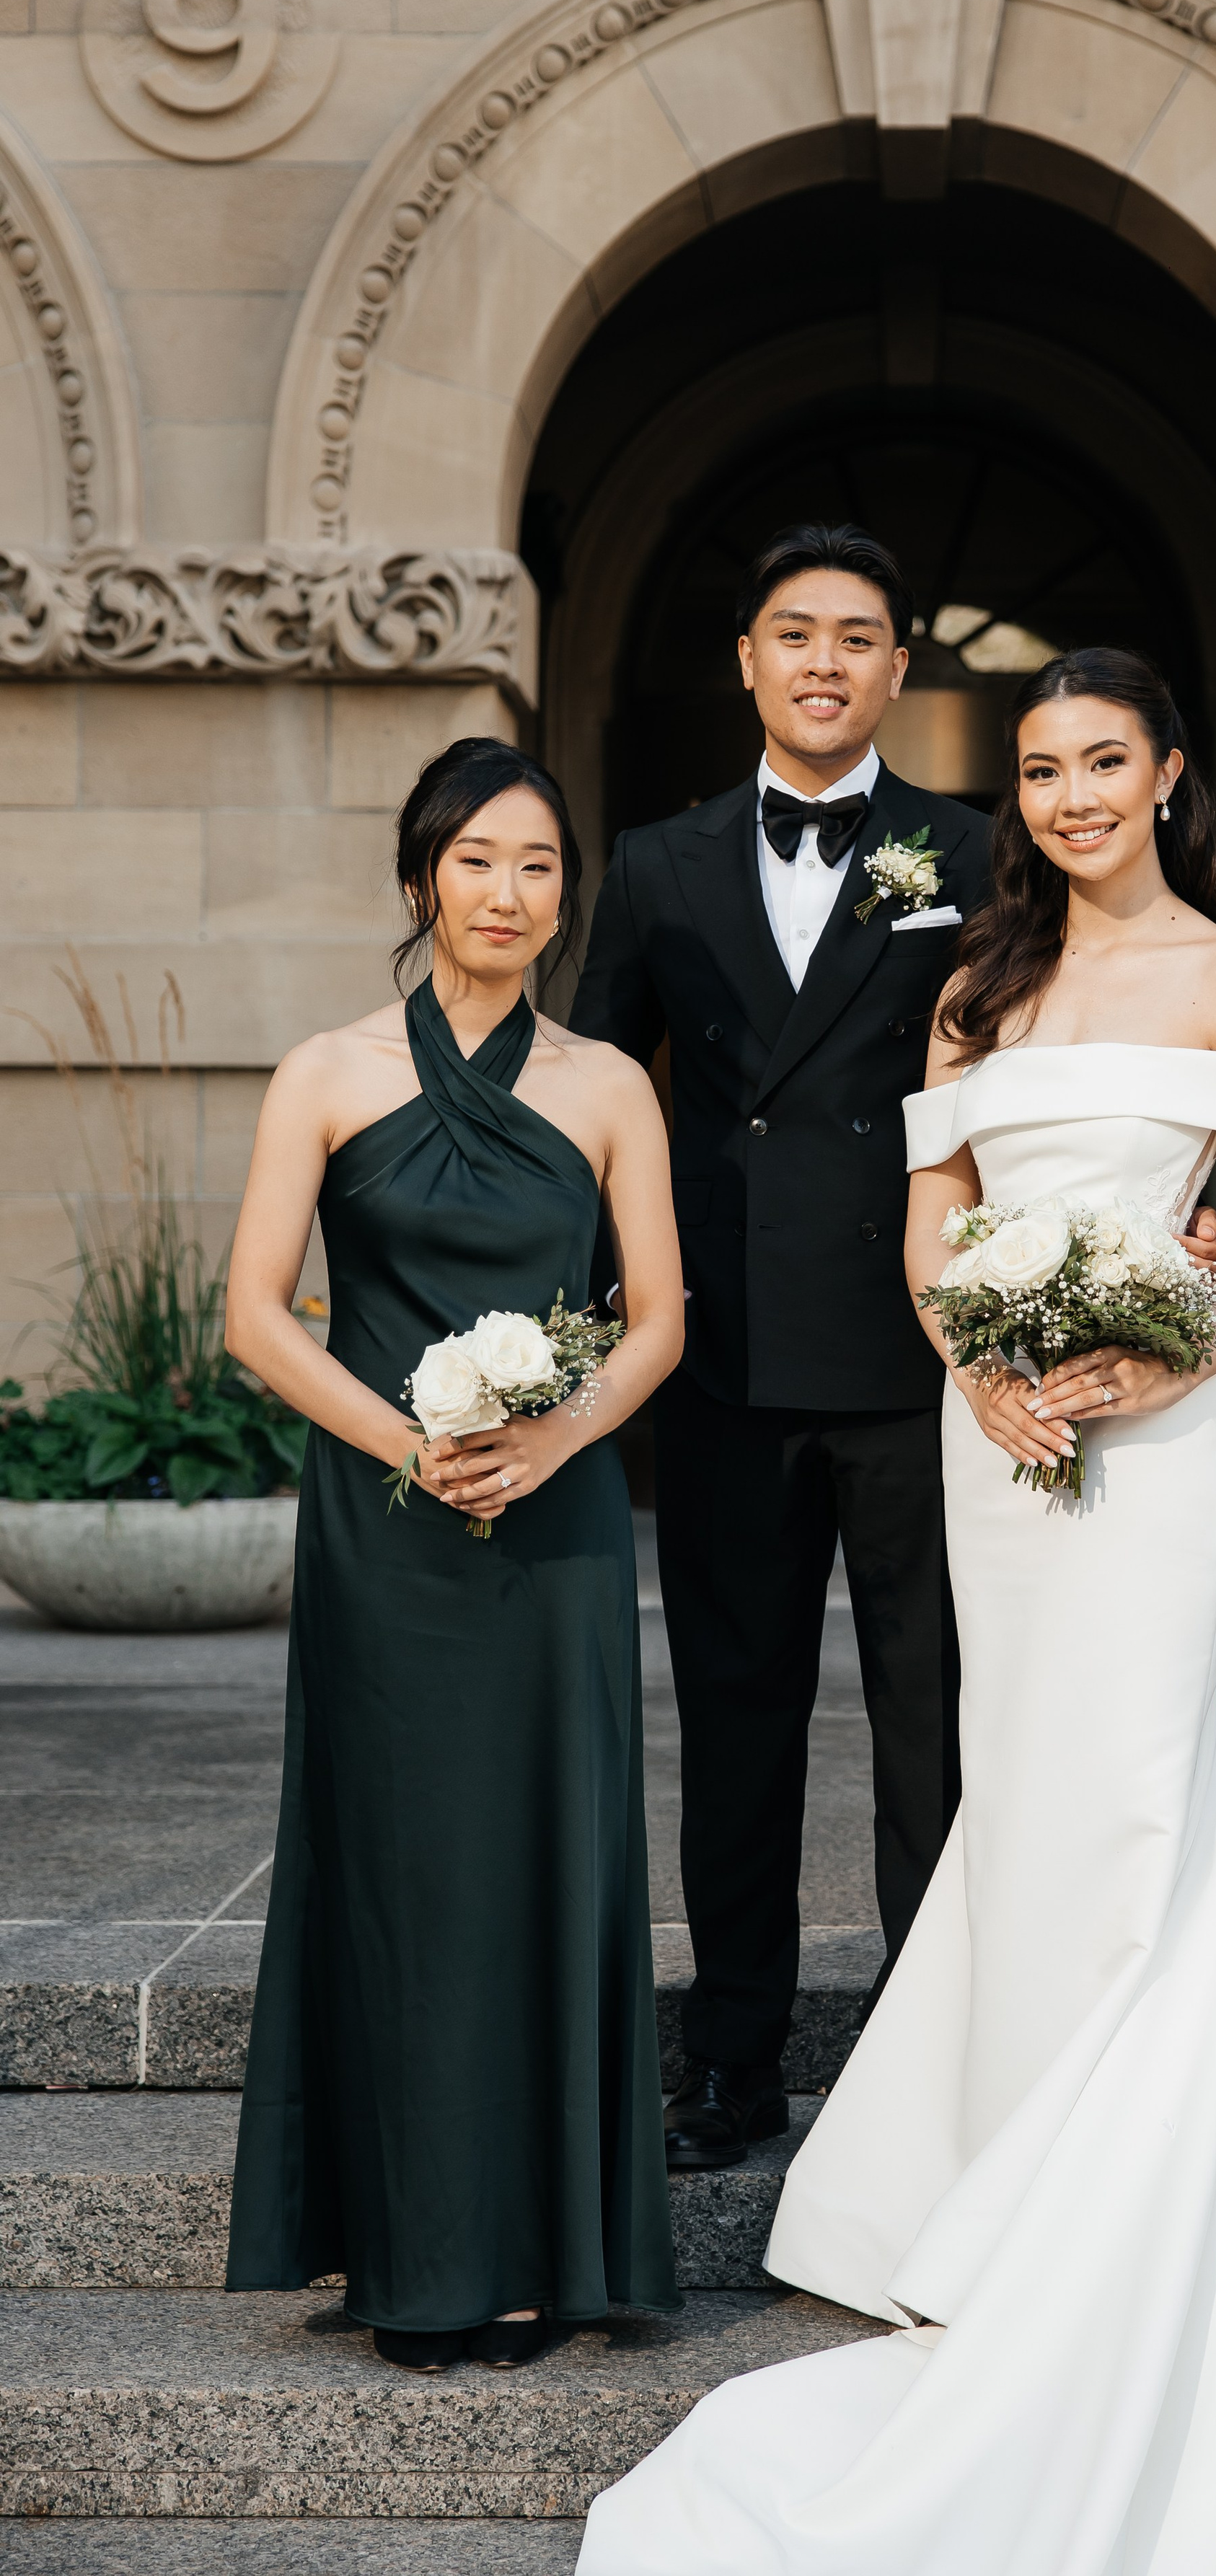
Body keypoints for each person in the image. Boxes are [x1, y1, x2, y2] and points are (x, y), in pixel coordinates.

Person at [576, 648, 1216, 2575]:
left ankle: (1127, 2211)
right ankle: (1010, 2188)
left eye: (1104, 762)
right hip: (1000, 1442)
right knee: (1021, 1794)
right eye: (1039, 770)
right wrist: (980, 1359)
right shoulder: (976, 988)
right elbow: (929, 1226)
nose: (1069, 796)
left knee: (1131, 1788)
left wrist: (1162, 1351)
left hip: (1162, 1440)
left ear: (1172, 776)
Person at [224, 738, 682, 2369]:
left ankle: (555, 2248)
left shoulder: (609, 1083)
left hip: (551, 1530)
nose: (508, 891)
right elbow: (253, 1316)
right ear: (425, 876)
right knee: (403, 1873)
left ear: (566, 896)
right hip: (386, 1520)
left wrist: (555, 1441)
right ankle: (412, 2249)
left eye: (539, 865)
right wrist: (409, 1443)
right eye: (479, 859)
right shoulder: (328, 1071)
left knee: (548, 1858)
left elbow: (659, 1320)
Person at [569, 523, 990, 2172]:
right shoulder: (656, 861)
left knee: (928, 1731)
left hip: (919, 1357)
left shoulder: (970, 849)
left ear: (898, 669)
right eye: (794, 631)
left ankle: (922, 2061)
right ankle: (728, 2060)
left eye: (859, 636)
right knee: (736, 1732)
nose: (825, 660)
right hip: (726, 1362)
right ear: (745, 659)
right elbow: (595, 1100)